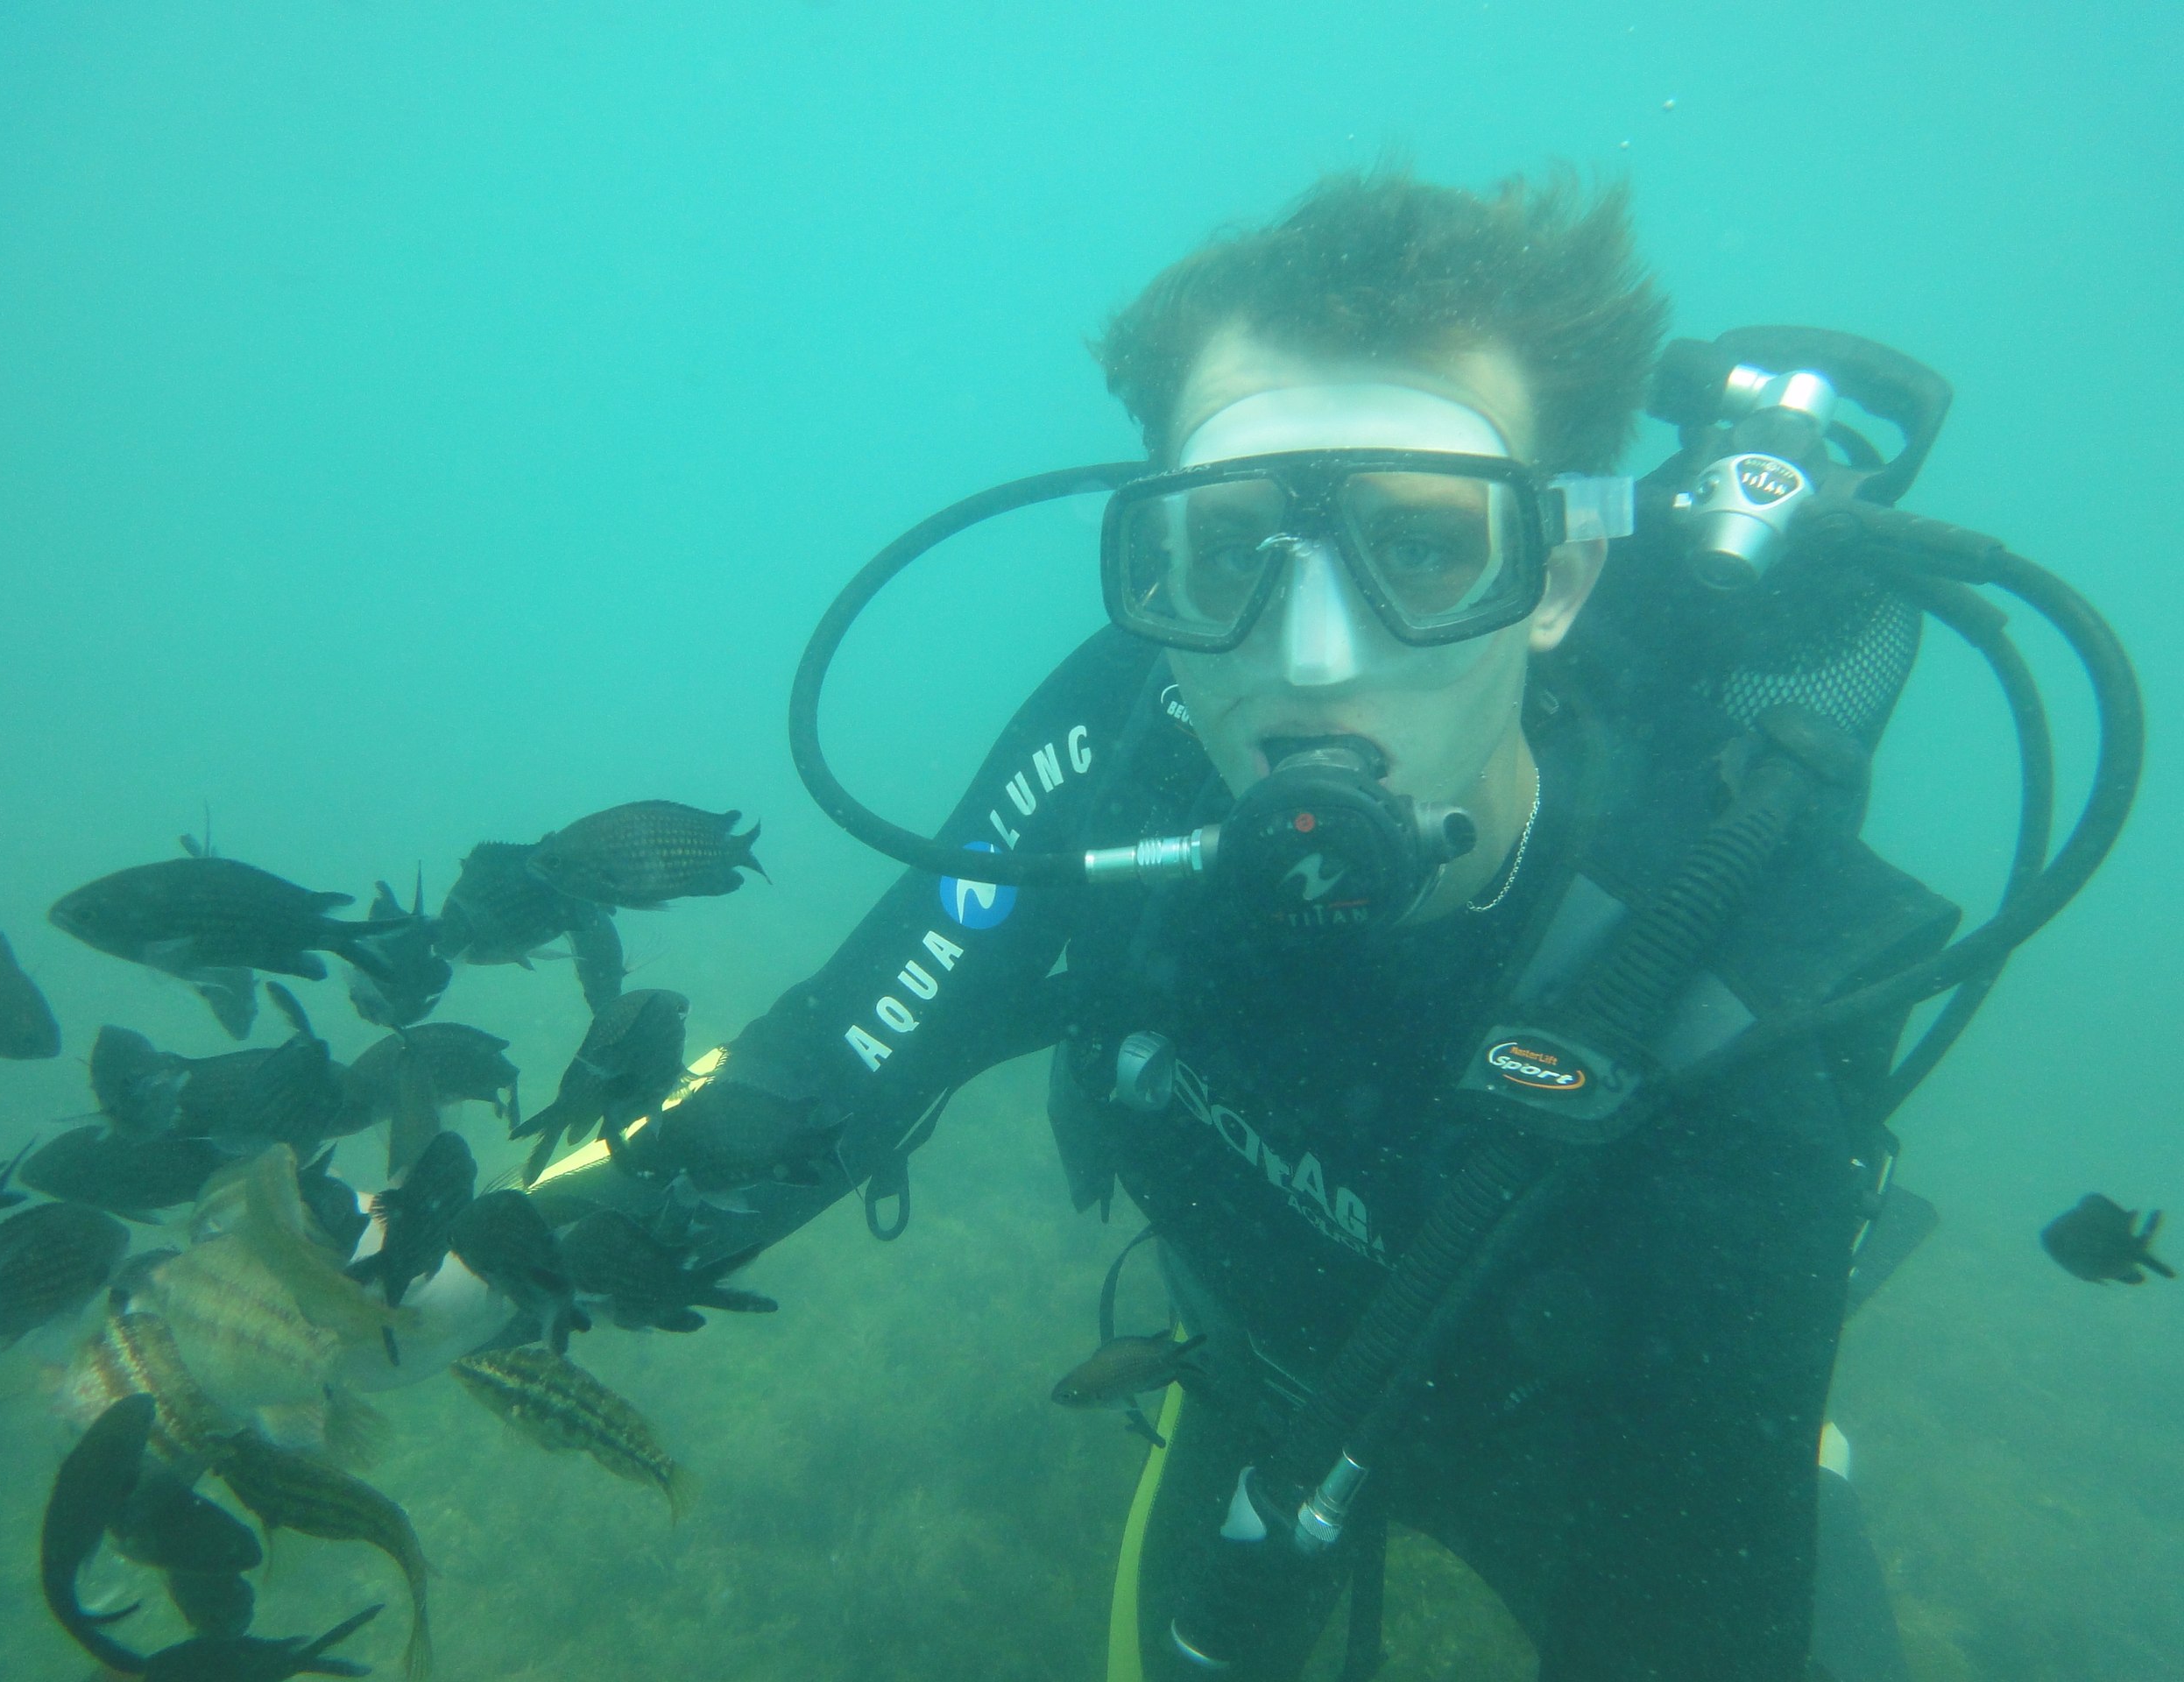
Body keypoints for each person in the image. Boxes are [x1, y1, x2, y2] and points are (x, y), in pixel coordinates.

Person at [636, 172, 1958, 1680]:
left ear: (1558, 578)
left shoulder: (1729, 991)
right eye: (1229, 550)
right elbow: (843, 1050)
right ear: (1159, 573)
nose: (1312, 659)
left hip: (1591, 1470)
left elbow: (1690, 1611)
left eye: (1423, 549)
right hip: (1253, 1386)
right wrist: (496, 1261)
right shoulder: (1134, 732)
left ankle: (1823, 1454)